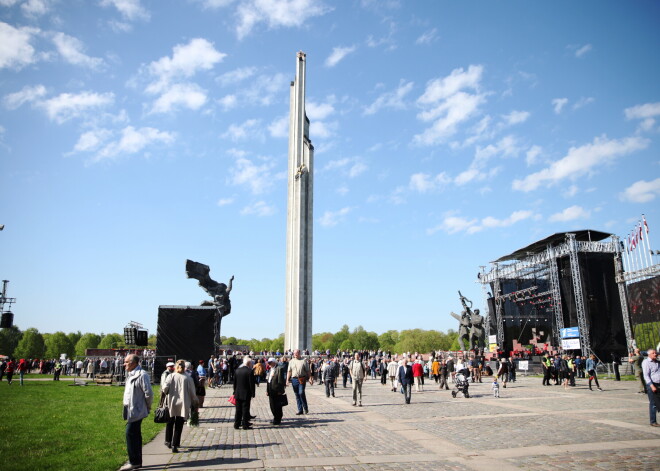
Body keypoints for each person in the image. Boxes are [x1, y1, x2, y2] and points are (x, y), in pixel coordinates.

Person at [120, 354, 153, 471]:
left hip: (137, 409)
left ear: (133, 363)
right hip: (130, 408)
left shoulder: (142, 375)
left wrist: (147, 407)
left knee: (130, 433)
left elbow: (148, 393)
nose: (124, 364)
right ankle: (137, 461)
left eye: (126, 362)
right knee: (135, 435)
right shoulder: (131, 374)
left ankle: (133, 462)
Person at [162, 360, 198, 453]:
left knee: (170, 422)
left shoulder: (171, 376)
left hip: (172, 401)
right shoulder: (188, 378)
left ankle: (168, 441)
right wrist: (195, 402)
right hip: (183, 403)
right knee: (179, 424)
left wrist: (167, 393)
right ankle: (175, 444)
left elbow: (165, 388)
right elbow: (192, 392)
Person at [286, 349, 311, 415]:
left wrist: (310, 378)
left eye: (296, 353)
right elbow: (289, 371)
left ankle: (305, 407)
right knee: (297, 395)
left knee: (301, 392)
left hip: (302, 379)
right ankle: (300, 410)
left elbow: (308, 370)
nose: (295, 354)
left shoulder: (303, 361)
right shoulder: (291, 361)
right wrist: (287, 380)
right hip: (294, 379)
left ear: (299, 353)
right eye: (294, 353)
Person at [233, 356, 255, 430]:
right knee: (245, 409)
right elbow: (251, 384)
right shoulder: (249, 371)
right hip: (246, 393)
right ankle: (245, 424)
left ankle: (236, 424)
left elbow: (234, 383)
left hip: (238, 393)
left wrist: (234, 392)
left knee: (238, 410)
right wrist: (253, 393)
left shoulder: (237, 370)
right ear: (248, 363)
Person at [642, 348, 660, 427]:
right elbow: (646, 376)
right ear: (649, 354)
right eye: (653, 353)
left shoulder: (658, 362)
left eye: (655, 353)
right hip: (652, 385)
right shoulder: (646, 362)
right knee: (653, 403)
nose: (655, 354)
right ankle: (653, 421)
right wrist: (651, 385)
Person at [266, 357, 286, 425]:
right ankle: (275, 417)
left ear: (274, 362)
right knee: (272, 405)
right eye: (268, 363)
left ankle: (278, 419)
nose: (269, 364)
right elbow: (268, 380)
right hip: (270, 389)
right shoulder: (270, 369)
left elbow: (281, 380)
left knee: (277, 405)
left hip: (276, 389)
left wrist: (280, 390)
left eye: (270, 363)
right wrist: (267, 390)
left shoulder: (279, 368)